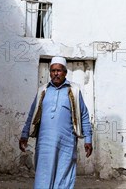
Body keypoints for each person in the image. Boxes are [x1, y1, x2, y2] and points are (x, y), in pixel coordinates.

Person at [19, 56, 93, 189]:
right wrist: (24, 134)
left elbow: (84, 115)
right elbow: (32, 114)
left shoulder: (74, 90)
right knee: (43, 174)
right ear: (50, 72)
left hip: (66, 142)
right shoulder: (43, 90)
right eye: (53, 70)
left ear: (65, 72)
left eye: (59, 70)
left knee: (63, 176)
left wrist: (88, 139)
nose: (56, 73)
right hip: (44, 143)